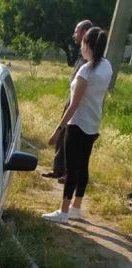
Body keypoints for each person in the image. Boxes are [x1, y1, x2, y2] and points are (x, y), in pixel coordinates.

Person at [42, 27, 112, 224]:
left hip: (78, 124)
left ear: (88, 46)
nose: (81, 46)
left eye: (83, 43)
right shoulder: (107, 66)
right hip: (93, 123)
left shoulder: (86, 71)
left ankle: (64, 211)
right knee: (83, 166)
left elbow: (74, 105)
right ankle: (76, 207)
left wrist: (58, 130)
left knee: (72, 169)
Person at [42, 20, 94, 183]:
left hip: (78, 105)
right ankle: (58, 170)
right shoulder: (82, 55)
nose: (74, 35)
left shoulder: (91, 58)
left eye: (76, 31)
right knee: (63, 137)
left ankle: (69, 173)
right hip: (70, 100)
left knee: (72, 140)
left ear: (85, 32)